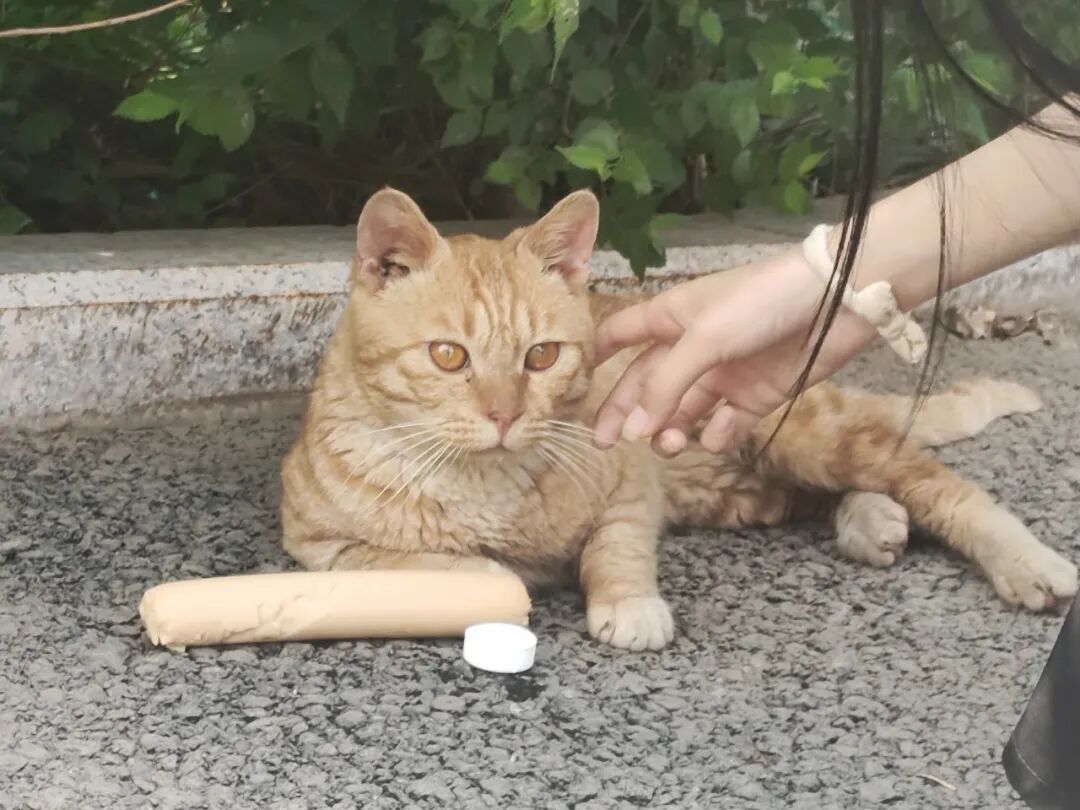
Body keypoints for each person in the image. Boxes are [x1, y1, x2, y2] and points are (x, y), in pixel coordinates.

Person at [590, 3, 1080, 808]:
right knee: (757, 485)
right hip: (699, 464)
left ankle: (969, 518)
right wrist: (829, 280)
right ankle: (844, 500)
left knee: (826, 440)